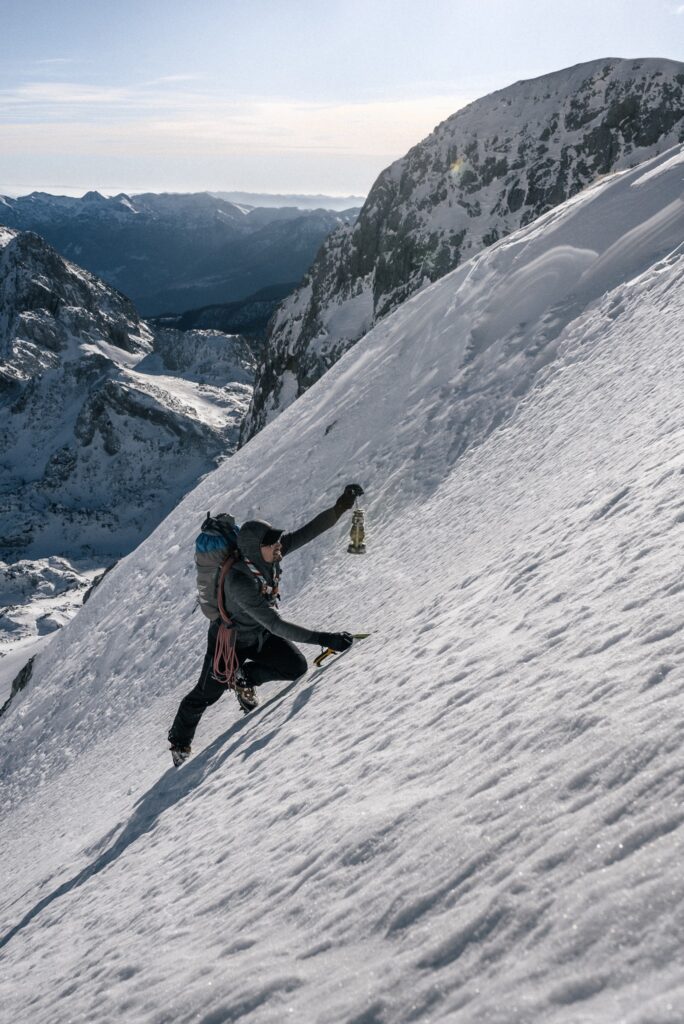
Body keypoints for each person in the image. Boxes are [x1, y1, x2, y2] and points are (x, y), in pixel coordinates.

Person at [168, 483, 364, 764]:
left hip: (258, 635)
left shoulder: (267, 555)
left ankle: (245, 677)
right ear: (254, 549)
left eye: (276, 542)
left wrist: (341, 506)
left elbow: (308, 532)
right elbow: (276, 625)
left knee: (295, 666)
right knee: (206, 694)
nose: (278, 545)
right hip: (230, 642)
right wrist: (326, 638)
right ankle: (179, 743)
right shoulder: (239, 582)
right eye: (271, 543)